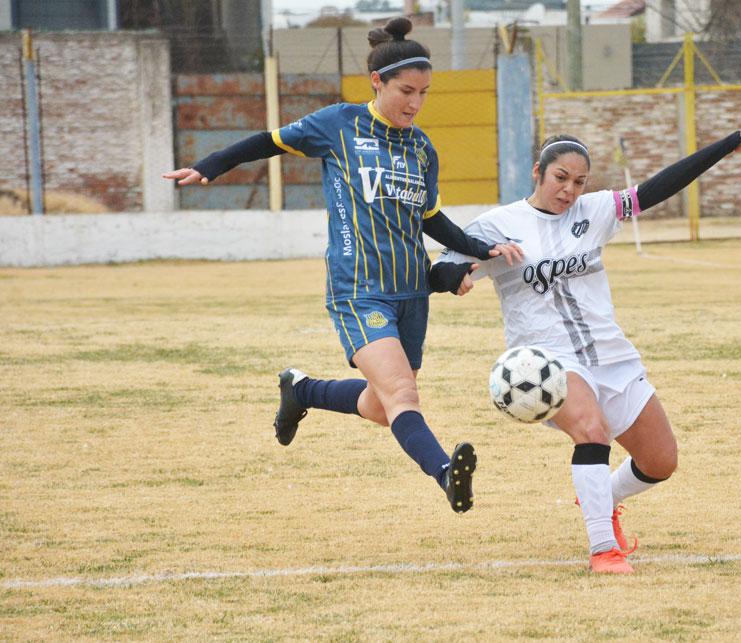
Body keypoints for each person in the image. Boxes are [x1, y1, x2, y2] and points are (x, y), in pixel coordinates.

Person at [164, 17, 521, 515]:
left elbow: (430, 218)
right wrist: (212, 164)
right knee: (402, 393)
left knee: (381, 406)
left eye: (424, 93)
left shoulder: (422, 147)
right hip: (358, 290)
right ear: (377, 81)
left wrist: (479, 250)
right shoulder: (339, 124)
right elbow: (268, 141)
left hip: (410, 294)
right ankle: (445, 474)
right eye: (405, 91)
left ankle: (301, 390)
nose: (415, 103)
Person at [430, 130, 741, 571]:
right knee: (591, 428)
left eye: (580, 182)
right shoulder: (497, 225)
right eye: (561, 177)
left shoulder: (596, 210)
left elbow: (656, 188)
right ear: (538, 172)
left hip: (610, 354)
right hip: (546, 360)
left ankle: (601, 494)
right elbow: (442, 266)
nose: (569, 190)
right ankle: (603, 548)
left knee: (660, 461)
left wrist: (722, 147)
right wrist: (454, 277)